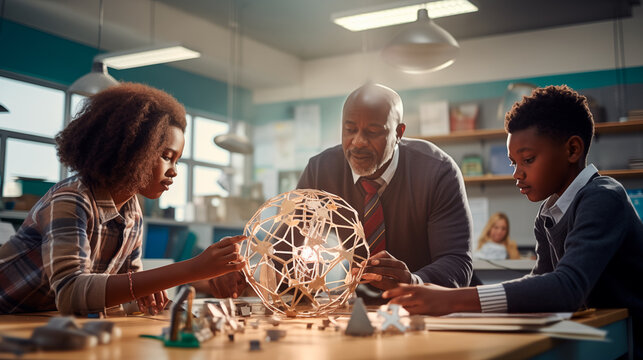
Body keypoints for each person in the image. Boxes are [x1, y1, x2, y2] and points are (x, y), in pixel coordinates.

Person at [383, 85, 643, 356]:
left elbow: (567, 288)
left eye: (528, 160)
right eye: (513, 162)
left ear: (572, 149)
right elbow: (542, 283)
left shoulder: (603, 197)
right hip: (605, 341)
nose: (517, 173)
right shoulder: (548, 214)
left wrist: (452, 299)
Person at [0, 83, 245, 315]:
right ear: (132, 150)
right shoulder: (71, 200)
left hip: (46, 323)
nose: (174, 171)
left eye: (178, 160)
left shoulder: (131, 211)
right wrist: (193, 268)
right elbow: (72, 293)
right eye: (166, 156)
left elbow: (127, 288)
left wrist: (160, 291)